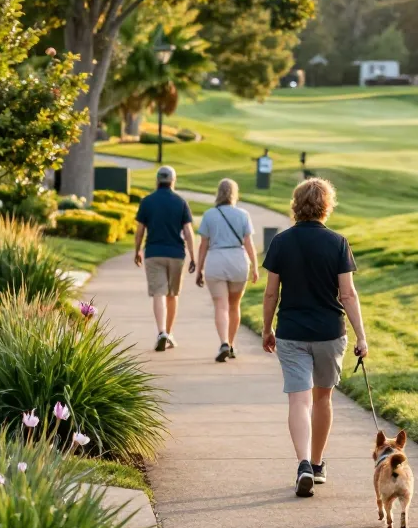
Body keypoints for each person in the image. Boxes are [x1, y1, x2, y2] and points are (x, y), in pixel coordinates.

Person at [262, 178, 368, 497]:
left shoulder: (281, 242)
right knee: (322, 399)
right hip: (329, 332)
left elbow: (270, 294)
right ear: (327, 206)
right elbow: (348, 295)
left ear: (296, 205)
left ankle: (304, 463)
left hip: (292, 331)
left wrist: (267, 329)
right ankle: (318, 465)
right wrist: (362, 336)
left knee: (298, 398)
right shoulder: (338, 243)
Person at [196, 179, 260, 362]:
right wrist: (255, 266)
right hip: (238, 261)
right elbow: (249, 243)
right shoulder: (243, 214)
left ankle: (224, 342)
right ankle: (231, 345)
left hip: (216, 261)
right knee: (234, 306)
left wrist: (199, 269)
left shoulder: (209, 215)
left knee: (221, 305)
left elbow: (203, 245)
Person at [134, 166, 196, 352]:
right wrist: (193, 257)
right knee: (172, 295)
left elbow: (139, 231)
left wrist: (137, 250)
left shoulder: (147, 201)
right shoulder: (180, 202)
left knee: (158, 293)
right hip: (176, 254)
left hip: (154, 253)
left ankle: (162, 332)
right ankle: (168, 333)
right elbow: (188, 232)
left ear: (157, 181)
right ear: (173, 181)